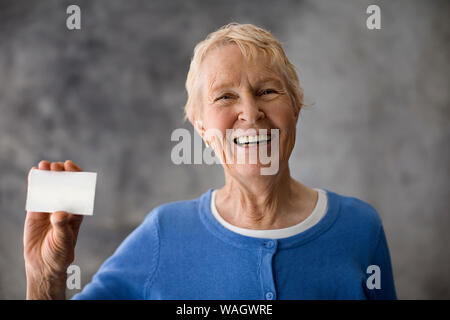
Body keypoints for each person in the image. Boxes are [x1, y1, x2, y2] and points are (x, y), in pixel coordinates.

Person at [23, 23, 396, 300]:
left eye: (267, 91)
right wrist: (44, 280)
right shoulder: (164, 234)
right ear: (201, 127)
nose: (250, 113)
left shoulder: (359, 228)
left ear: (295, 107)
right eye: (225, 97)